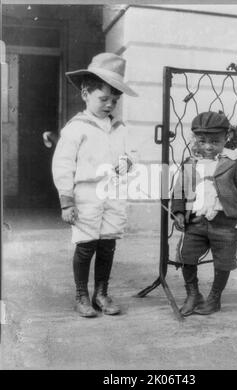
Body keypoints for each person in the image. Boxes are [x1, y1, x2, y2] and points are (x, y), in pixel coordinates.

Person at [52, 52, 138, 318]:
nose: (110, 104)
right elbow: (63, 164)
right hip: (86, 194)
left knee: (108, 243)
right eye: (104, 99)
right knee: (86, 244)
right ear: (86, 94)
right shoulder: (76, 128)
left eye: (115, 100)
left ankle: (101, 293)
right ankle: (82, 294)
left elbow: (132, 154)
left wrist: (127, 162)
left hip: (113, 192)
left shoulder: (120, 128)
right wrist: (67, 201)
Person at [171, 111, 237, 316]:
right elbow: (180, 189)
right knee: (186, 255)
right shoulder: (191, 163)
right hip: (197, 220)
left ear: (226, 139)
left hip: (226, 222)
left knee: (224, 260)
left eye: (215, 141)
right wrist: (179, 212)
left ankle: (214, 298)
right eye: (202, 141)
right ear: (195, 140)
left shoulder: (233, 161)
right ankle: (193, 294)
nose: (208, 146)